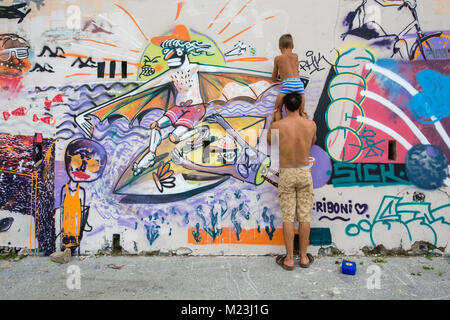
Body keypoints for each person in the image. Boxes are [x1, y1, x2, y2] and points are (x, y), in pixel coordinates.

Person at [267, 93, 316, 270]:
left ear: (285, 107)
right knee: (304, 216)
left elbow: (271, 142)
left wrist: (275, 120)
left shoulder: (279, 126)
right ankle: (303, 257)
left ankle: (288, 259)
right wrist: (305, 118)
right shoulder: (310, 124)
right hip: (304, 172)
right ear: (300, 107)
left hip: (287, 173)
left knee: (288, 217)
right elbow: (312, 142)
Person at [272, 34, 306, 121]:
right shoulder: (296, 56)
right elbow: (296, 71)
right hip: (299, 83)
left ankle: (275, 134)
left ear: (279, 47)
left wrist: (280, 77)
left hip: (287, 84)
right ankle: (305, 132)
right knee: (302, 112)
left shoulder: (278, 58)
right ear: (293, 46)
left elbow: (274, 77)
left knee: (277, 110)